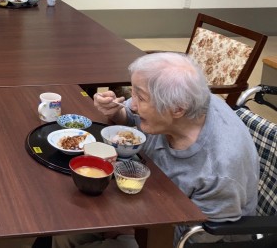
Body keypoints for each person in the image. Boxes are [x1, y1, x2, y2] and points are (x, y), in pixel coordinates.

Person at [53, 52, 259, 248]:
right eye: (133, 93)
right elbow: (132, 116)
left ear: (178, 109)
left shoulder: (220, 168)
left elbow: (196, 237)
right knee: (66, 230)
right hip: (147, 197)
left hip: (179, 235)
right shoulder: (185, 100)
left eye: (140, 98)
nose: (132, 105)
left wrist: (127, 226)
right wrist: (116, 113)